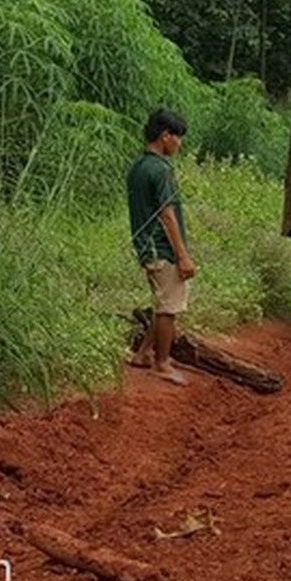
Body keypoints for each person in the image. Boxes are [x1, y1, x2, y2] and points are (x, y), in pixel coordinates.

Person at [127, 109, 196, 386]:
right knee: (169, 307)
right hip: (161, 248)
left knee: (162, 303)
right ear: (165, 136)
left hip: (146, 246)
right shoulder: (162, 170)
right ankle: (162, 362)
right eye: (177, 138)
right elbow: (167, 215)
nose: (179, 144)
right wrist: (183, 256)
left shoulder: (139, 166)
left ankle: (143, 354)